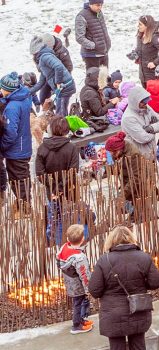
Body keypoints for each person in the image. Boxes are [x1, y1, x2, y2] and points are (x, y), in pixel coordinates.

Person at [89, 226, 159, 350]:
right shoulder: (143, 257)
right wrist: (141, 285)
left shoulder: (104, 260)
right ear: (131, 238)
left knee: (117, 349)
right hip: (138, 310)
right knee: (139, 347)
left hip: (113, 314)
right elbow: (156, 282)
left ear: (111, 240)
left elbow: (95, 291)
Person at [36, 116, 80, 244]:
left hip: (52, 193)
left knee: (55, 220)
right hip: (70, 191)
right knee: (73, 219)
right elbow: (73, 171)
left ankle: (57, 245)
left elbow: (40, 174)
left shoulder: (42, 148)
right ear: (66, 130)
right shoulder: (71, 148)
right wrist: (61, 188)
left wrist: (55, 188)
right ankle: (73, 244)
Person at [0, 72, 33, 215]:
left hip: (16, 150)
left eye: (2, 88)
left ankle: (24, 208)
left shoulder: (12, 108)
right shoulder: (24, 97)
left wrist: (2, 146)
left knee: (17, 180)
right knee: (23, 177)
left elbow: (10, 133)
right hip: (24, 144)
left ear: (8, 89)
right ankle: (24, 203)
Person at [105, 132, 151, 222]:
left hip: (140, 184)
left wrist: (123, 194)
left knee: (133, 201)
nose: (110, 154)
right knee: (119, 204)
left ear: (118, 149)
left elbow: (136, 178)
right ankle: (133, 211)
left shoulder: (133, 155)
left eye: (112, 152)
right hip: (128, 180)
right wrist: (106, 171)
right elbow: (119, 166)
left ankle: (140, 213)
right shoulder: (118, 151)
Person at [57, 224, 93, 334]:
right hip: (78, 285)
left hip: (69, 281)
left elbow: (59, 260)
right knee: (78, 303)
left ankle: (81, 320)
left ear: (68, 239)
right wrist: (88, 289)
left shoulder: (64, 247)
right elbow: (84, 275)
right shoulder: (79, 257)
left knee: (77, 302)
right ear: (82, 239)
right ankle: (76, 325)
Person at [29, 36, 76, 117]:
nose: (32, 56)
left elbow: (58, 67)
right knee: (61, 110)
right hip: (62, 88)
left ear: (36, 51)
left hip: (65, 86)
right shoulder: (42, 60)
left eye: (32, 53)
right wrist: (28, 92)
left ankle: (61, 127)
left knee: (60, 113)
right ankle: (62, 125)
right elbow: (41, 82)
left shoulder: (45, 57)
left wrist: (58, 82)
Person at [121, 86, 159, 159]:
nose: (145, 104)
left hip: (152, 152)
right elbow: (143, 138)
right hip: (139, 156)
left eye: (146, 102)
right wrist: (154, 131)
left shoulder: (146, 107)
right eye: (143, 102)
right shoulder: (128, 118)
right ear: (135, 101)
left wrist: (151, 128)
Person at [133, 15, 159, 87]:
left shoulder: (154, 37)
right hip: (142, 75)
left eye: (140, 24)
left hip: (152, 75)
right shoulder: (140, 35)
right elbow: (140, 49)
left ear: (147, 25)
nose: (138, 26)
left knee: (153, 97)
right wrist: (135, 55)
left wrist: (155, 63)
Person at [75, 0, 111, 70]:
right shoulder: (81, 16)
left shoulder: (99, 12)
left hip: (104, 52)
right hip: (91, 55)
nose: (100, 7)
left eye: (101, 5)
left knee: (105, 78)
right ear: (91, 4)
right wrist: (94, 45)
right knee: (93, 79)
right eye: (97, 5)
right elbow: (79, 37)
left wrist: (108, 43)